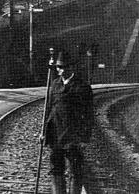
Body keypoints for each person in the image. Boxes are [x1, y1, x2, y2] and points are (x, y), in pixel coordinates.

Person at [42, 51, 95, 194]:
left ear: (73, 67)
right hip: (56, 135)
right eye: (59, 67)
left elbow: (89, 114)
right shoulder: (54, 85)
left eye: (66, 67)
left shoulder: (82, 86)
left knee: (75, 171)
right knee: (56, 169)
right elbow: (49, 109)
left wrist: (85, 136)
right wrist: (44, 132)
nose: (62, 70)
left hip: (73, 136)